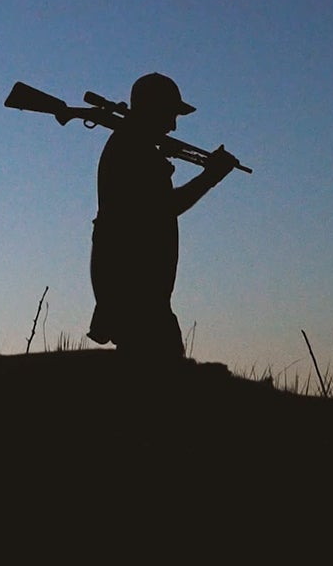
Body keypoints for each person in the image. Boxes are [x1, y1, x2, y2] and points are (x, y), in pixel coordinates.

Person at [87, 72, 239, 359]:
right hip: (135, 293)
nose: (173, 124)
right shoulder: (132, 149)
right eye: (169, 114)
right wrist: (211, 177)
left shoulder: (135, 146)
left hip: (136, 292)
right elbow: (166, 207)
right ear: (151, 110)